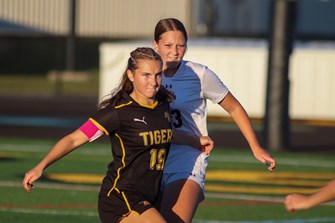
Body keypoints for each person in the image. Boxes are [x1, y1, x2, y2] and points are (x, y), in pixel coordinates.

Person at [22, 47, 214, 223]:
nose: (153, 82)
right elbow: (74, 138)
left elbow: (166, 134)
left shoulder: (162, 105)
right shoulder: (117, 113)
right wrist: (41, 166)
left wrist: (195, 140)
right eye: (145, 75)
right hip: (121, 197)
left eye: (157, 75)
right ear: (131, 75)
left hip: (151, 194)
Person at [152, 18, 277, 223]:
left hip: (188, 160)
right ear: (155, 44)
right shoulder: (147, 75)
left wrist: (255, 147)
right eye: (168, 45)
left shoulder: (199, 74)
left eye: (181, 45)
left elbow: (234, 107)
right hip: (151, 161)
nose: (175, 51)